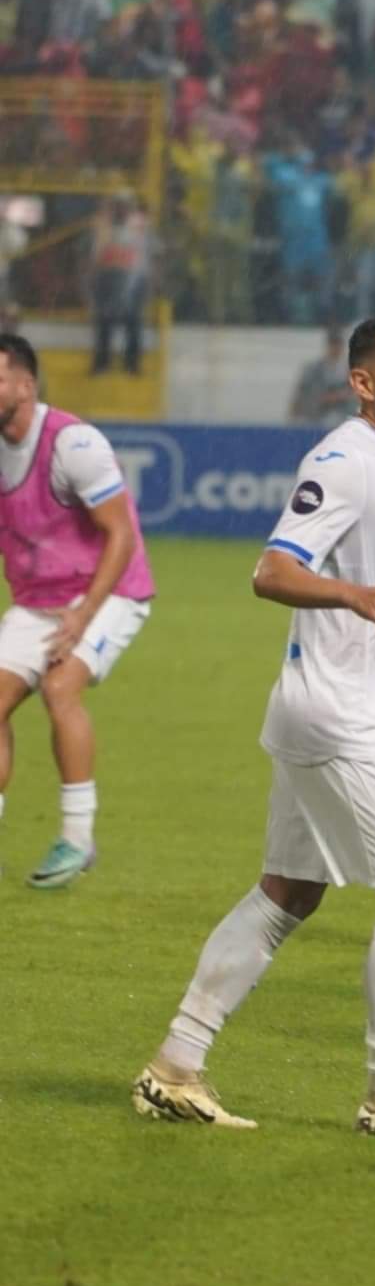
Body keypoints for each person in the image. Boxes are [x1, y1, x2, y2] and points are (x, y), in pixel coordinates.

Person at [132, 315, 375, 1141]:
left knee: (288, 893)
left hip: (340, 710)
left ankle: (173, 1067)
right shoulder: (343, 460)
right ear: (365, 383)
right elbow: (273, 570)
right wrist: (350, 597)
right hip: (340, 718)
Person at [0, 333, 154, 888]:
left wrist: (84, 615)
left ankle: (76, 837)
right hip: (37, 600)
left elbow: (121, 536)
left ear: (25, 384)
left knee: (61, 687)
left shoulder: (73, 443)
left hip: (110, 592)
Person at [90, 195, 151, 376]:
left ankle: (132, 364)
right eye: (118, 206)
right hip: (107, 277)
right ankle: (102, 363)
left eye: (124, 206)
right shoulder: (104, 225)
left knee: (132, 320)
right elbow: (96, 254)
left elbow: (143, 255)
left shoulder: (138, 226)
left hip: (132, 278)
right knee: (104, 320)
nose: (120, 210)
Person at [288, 326, 352, 427]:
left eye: (338, 344)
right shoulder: (313, 369)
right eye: (333, 344)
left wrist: (339, 396)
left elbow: (355, 395)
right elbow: (302, 391)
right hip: (316, 414)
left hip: (342, 415)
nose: (335, 348)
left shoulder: (350, 370)